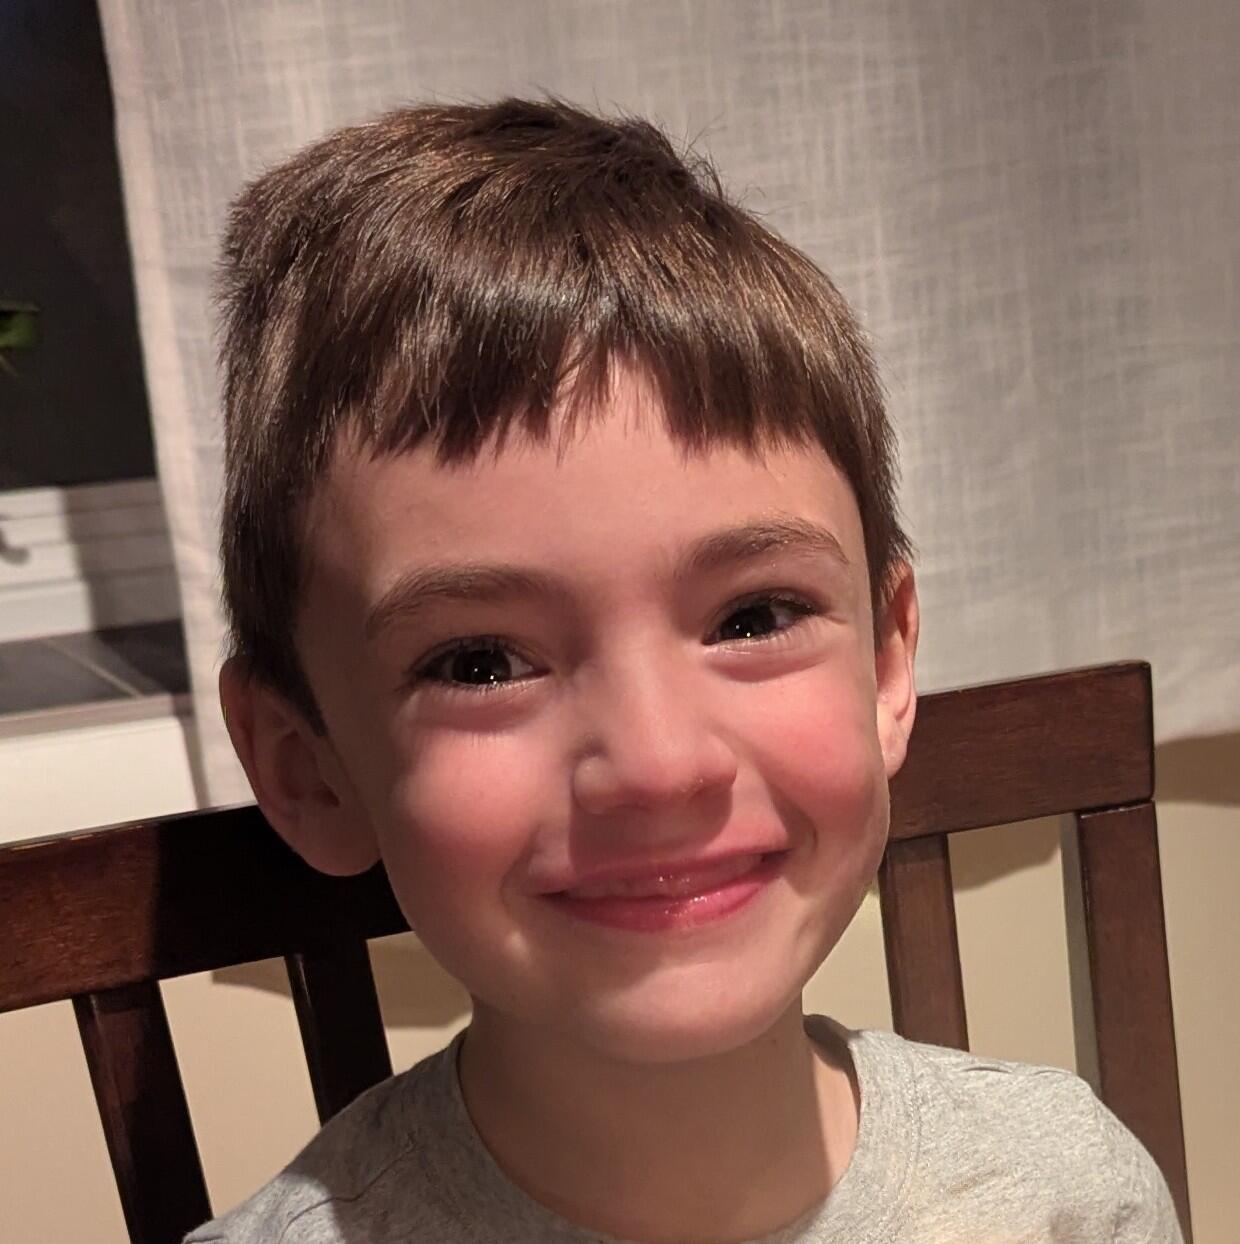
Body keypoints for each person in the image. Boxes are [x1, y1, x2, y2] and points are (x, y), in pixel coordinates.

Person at [188, 97, 1181, 1243]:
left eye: (754, 615)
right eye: (481, 661)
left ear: (883, 663)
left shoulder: (1067, 1194)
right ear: (306, 768)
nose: (659, 764)